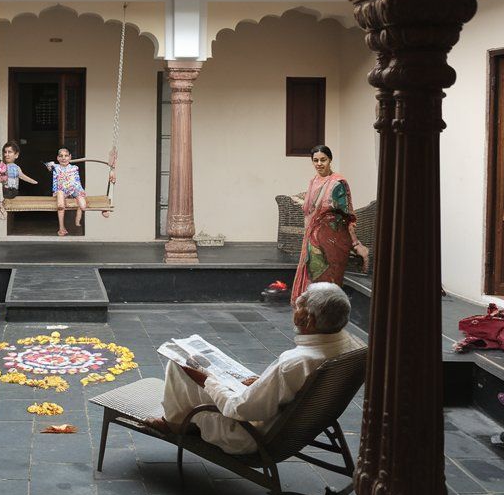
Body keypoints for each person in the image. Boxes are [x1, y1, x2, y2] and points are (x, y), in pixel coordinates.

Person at [146, 282, 363, 455]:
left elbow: (240, 410)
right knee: (209, 370)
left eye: (298, 307)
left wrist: (206, 380)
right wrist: (263, 383)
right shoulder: (354, 346)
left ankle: (173, 423)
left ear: (308, 320)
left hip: (248, 435)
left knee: (179, 365)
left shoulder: (296, 363)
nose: (294, 311)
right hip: (291, 423)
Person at [291, 144, 369, 305]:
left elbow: (347, 216)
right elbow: (311, 208)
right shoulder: (314, 181)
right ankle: (316, 311)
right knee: (315, 277)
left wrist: (355, 243)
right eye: (316, 160)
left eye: (323, 160)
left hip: (334, 239)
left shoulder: (337, 183)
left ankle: (329, 311)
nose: (319, 164)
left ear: (330, 160)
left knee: (331, 280)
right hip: (314, 238)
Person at [45, 146, 87, 236]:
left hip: (73, 189)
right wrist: (50, 164)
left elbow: (77, 181)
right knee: (60, 205)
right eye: (61, 156)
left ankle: (77, 220)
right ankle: (61, 228)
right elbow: (48, 166)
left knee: (83, 206)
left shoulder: (74, 168)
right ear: (58, 158)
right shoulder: (55, 167)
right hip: (61, 190)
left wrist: (81, 190)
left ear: (70, 157)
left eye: (66, 156)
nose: (63, 158)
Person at [0, 141, 39, 212]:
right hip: (5, 190)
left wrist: (33, 182)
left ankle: (3, 206)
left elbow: (22, 176)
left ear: (16, 155)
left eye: (9, 152)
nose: (6, 154)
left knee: (5, 193)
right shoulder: (3, 166)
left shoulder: (16, 168)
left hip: (12, 190)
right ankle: (2, 206)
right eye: (5, 152)